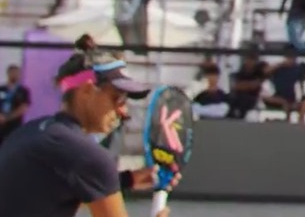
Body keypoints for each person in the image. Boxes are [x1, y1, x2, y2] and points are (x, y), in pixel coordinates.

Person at [0, 35, 178, 217]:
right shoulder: (86, 155)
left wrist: (127, 180)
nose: (124, 111)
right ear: (86, 90)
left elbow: (56, 182)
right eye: (117, 98)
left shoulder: (28, 133)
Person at [0, 63, 31, 147]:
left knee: (12, 145)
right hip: (1, 124)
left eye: (17, 73)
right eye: (13, 72)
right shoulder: (2, 88)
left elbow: (23, 108)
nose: (15, 75)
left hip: (15, 125)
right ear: (8, 73)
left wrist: (7, 118)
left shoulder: (23, 91)